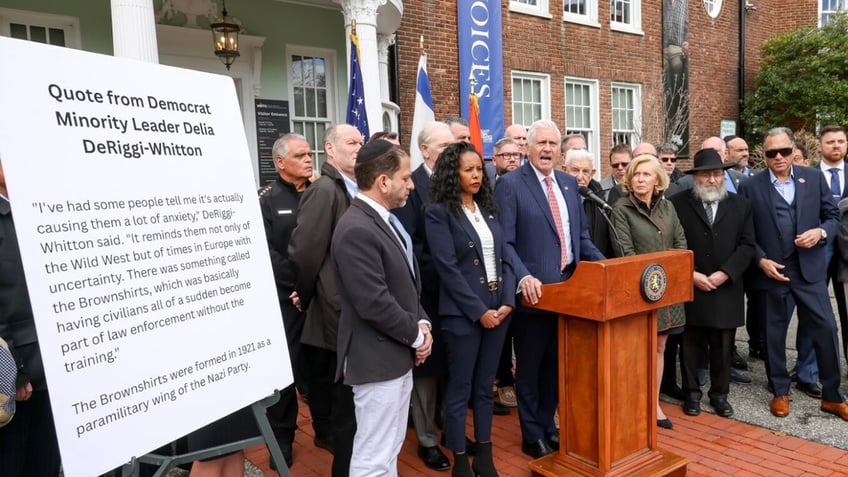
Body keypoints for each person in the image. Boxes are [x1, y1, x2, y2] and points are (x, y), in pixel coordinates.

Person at [495, 120, 605, 458]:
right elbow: (506, 242)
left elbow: (580, 239)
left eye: (552, 143)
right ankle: (531, 434)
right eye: (540, 142)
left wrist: (607, 268)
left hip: (569, 296)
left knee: (556, 368)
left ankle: (547, 424)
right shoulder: (511, 185)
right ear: (527, 147)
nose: (546, 149)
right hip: (534, 294)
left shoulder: (570, 184)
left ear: (560, 150)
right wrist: (524, 276)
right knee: (530, 367)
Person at [332, 140, 433, 476]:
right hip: (376, 360)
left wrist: (423, 324)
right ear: (383, 181)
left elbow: (405, 282)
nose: (412, 184)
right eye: (405, 177)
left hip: (394, 354)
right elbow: (373, 302)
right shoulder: (356, 227)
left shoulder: (384, 220)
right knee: (373, 456)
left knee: (389, 449)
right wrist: (416, 338)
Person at [737, 127, 848, 421]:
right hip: (773, 272)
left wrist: (821, 232)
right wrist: (761, 261)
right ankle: (780, 391)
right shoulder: (751, 186)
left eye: (784, 151)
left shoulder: (812, 178)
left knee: (827, 328)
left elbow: (833, 217)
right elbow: (744, 232)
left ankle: (832, 396)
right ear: (764, 155)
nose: (779, 157)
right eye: (771, 152)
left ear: (792, 150)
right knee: (774, 334)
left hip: (809, 270)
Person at [425, 141, 515, 477]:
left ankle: (486, 456)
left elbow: (504, 256)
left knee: (484, 387)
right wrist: (479, 311)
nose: (476, 175)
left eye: (479, 169)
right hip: (463, 315)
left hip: (499, 309)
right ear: (453, 173)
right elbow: (447, 268)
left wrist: (507, 301)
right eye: (468, 169)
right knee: (460, 388)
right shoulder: (438, 212)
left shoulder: (487, 209)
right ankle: (461, 459)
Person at [289, 124, 363, 476]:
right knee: (341, 401)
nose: (359, 147)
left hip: (353, 307)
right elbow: (305, 252)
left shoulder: (356, 188)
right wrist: (307, 296)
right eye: (351, 142)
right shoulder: (324, 190)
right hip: (335, 309)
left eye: (362, 141)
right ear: (330, 150)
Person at [669, 149, 756, 419]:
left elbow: (747, 245)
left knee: (722, 349)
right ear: (695, 177)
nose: (711, 180)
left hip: (725, 287)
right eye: (706, 174)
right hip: (691, 284)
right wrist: (691, 274)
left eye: (717, 174)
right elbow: (670, 245)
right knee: (690, 346)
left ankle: (720, 396)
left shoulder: (740, 205)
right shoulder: (677, 203)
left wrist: (725, 273)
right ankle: (692, 394)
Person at [609, 153, 687, 429]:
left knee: (660, 347)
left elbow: (680, 245)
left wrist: (666, 274)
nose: (640, 179)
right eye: (636, 174)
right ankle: (632, 404)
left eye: (646, 175)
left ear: (658, 180)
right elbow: (625, 254)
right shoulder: (621, 209)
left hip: (667, 292)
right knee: (636, 349)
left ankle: (653, 404)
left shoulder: (668, 209)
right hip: (638, 292)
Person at [394, 121, 455, 470]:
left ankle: (450, 427)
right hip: (429, 292)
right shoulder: (413, 185)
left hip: (457, 294)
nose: (451, 150)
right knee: (428, 371)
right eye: (444, 146)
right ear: (426, 149)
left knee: (452, 363)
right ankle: (427, 439)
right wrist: (441, 274)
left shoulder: (457, 182)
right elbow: (409, 244)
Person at [0, 158, 62, 477]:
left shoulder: (33, 210)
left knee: (45, 463)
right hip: (15, 378)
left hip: (50, 370)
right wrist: (14, 372)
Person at [258, 133, 313, 468]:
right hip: (286, 298)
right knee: (287, 369)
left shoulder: (321, 192)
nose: (309, 159)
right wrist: (296, 285)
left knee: (320, 365)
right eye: (301, 155)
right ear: (280, 162)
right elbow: (268, 250)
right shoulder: (266, 199)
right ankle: (282, 437)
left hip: (316, 294)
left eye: (309, 154)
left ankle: (324, 426)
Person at [817, 125, 848, 372]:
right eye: (830, 142)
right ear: (820, 146)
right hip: (817, 251)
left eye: (840, 141)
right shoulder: (807, 175)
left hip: (847, 256)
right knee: (814, 311)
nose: (836, 145)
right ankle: (809, 369)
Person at [563, 147, 614, 257]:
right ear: (564, 170)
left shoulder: (599, 199)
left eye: (585, 171)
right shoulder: (556, 198)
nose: (580, 177)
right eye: (575, 170)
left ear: (592, 174)